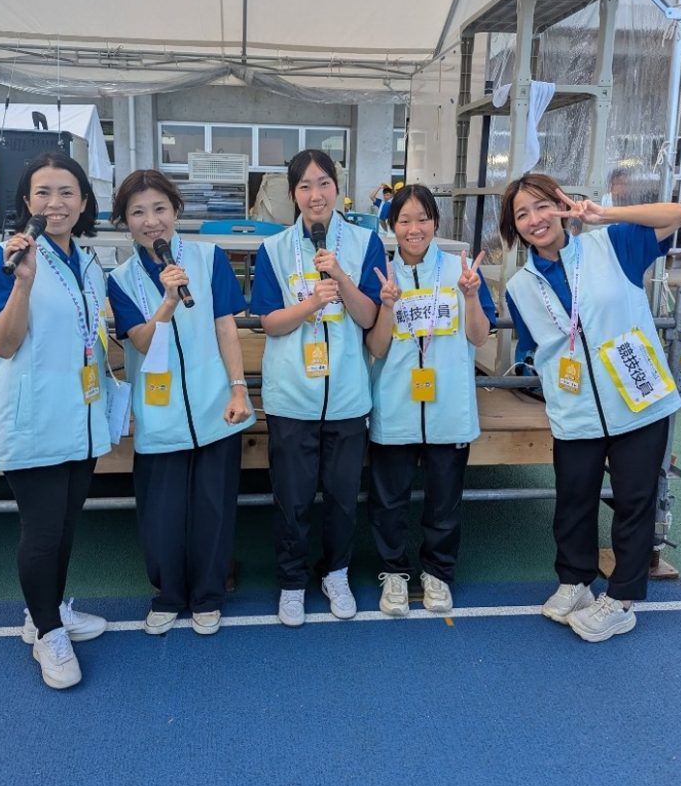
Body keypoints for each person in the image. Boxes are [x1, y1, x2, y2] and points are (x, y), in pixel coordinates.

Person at [500, 172, 681, 642]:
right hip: (575, 407)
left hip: (638, 399)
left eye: (542, 205)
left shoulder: (612, 244)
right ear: (514, 227)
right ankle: (575, 581)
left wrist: (605, 214)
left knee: (634, 501)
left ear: (561, 205)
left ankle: (621, 599)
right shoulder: (519, 286)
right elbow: (532, 347)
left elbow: (678, 214)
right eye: (522, 214)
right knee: (573, 500)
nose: (535, 219)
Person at [0, 152, 110, 690]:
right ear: (27, 201)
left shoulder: (89, 263)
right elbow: (4, 344)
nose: (56, 203)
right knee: (43, 530)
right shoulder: (7, 258)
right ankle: (48, 634)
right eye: (44, 193)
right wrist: (23, 284)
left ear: (83, 202)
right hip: (35, 415)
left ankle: (44, 612)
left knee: (67, 527)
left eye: (67, 192)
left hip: (82, 413)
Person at [107, 170, 254, 638]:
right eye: (138, 212)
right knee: (162, 514)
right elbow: (142, 341)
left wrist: (238, 388)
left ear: (176, 211)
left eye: (159, 209)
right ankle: (168, 594)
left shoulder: (209, 258)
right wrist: (168, 301)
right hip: (160, 415)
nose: (151, 221)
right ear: (124, 221)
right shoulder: (120, 280)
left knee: (214, 508)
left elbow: (226, 327)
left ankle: (209, 595)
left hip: (216, 405)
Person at [250, 148, 385, 627]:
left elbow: (369, 318)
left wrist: (341, 278)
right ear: (293, 194)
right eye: (304, 186)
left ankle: (336, 573)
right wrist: (310, 304)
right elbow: (269, 322)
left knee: (344, 498)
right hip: (292, 397)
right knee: (293, 498)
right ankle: (292, 582)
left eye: (323, 183)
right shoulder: (273, 249)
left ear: (338, 189)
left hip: (347, 396)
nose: (315, 195)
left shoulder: (366, 243)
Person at [366, 185, 495, 616]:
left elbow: (480, 336)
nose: (414, 228)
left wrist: (471, 296)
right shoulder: (382, 274)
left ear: (436, 222)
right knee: (389, 501)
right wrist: (386, 306)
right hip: (395, 406)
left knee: (444, 500)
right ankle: (394, 573)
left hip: (449, 409)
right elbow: (376, 348)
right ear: (391, 226)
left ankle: (438, 573)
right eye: (404, 220)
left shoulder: (461, 272)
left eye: (422, 218)